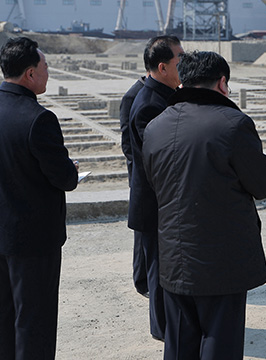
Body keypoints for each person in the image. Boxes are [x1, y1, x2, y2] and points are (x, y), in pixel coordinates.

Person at [142, 51, 266, 360]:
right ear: (222, 83)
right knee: (220, 339)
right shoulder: (233, 124)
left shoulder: (156, 126)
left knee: (179, 341)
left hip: (174, 254)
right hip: (222, 258)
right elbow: (264, 184)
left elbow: (154, 183)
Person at [0, 37, 79, 359]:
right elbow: (64, 178)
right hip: (34, 241)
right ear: (30, 74)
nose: (49, 72)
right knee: (35, 323)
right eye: (46, 67)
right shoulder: (38, 118)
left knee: (3, 317)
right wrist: (71, 169)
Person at [128, 35, 184, 341]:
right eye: (179, 59)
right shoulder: (150, 103)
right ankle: (164, 330)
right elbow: (160, 159)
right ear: (162, 67)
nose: (183, 63)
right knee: (160, 273)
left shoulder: (164, 94)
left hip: (162, 202)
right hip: (155, 203)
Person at [120, 73, 149, 298]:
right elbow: (128, 144)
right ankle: (141, 280)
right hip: (141, 175)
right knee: (142, 230)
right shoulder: (133, 96)